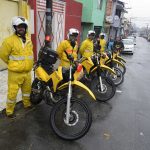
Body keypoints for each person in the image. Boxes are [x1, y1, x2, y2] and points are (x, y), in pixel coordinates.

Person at [0, 16, 34, 117]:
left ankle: (27, 104)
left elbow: (30, 54)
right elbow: (3, 55)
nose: (21, 29)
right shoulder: (9, 41)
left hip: (27, 72)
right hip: (15, 74)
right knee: (12, 93)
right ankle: (9, 111)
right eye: (19, 27)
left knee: (27, 91)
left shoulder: (28, 40)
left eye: (23, 27)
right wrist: (12, 64)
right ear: (15, 27)